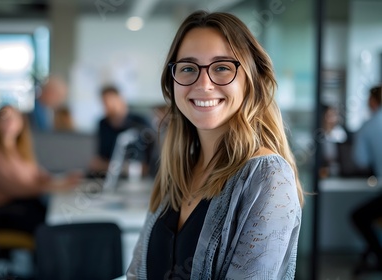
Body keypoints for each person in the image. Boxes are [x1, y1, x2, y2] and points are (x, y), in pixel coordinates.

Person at [127, 11, 303, 279]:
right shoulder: (178, 171)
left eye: (221, 67)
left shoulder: (267, 176)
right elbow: (137, 272)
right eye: (188, 68)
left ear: (251, 80)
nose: (204, 84)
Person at [0, 105, 81, 235]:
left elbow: (39, 176)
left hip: (26, 206)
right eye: (4, 119)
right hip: (8, 212)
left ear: (22, 122)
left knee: (64, 220)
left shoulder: (19, 150)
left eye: (14, 118)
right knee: (56, 227)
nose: (9, 122)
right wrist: (57, 187)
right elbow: (16, 188)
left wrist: (63, 179)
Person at [88, 85, 154, 177]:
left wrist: (108, 166)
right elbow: (99, 161)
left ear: (121, 100)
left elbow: (144, 167)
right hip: (110, 178)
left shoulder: (140, 123)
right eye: (105, 103)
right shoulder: (103, 124)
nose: (108, 106)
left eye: (111, 101)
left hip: (137, 178)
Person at [351, 85, 382, 272]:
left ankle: (379, 258)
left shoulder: (369, 126)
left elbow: (360, 160)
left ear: (372, 101)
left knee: (359, 217)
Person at [319, 104, 347, 178]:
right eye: (329, 115)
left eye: (334, 115)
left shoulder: (340, 133)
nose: (332, 118)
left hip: (336, 171)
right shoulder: (319, 133)